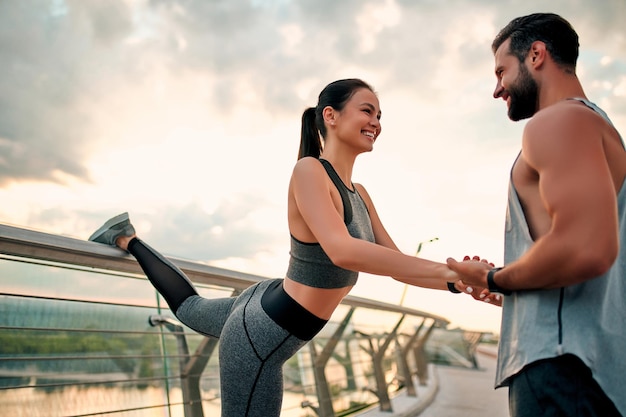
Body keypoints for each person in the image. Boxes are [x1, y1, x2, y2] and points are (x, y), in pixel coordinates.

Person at [88, 78, 465, 417]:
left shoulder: (361, 195)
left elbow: (399, 265)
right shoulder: (309, 171)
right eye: (367, 110)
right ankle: (126, 237)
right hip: (258, 334)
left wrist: (460, 281)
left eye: (380, 115)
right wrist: (450, 272)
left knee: (190, 307)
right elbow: (342, 250)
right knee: (189, 308)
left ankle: (125, 237)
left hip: (266, 302)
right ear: (330, 116)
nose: (377, 122)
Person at [446, 13, 626, 417]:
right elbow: (578, 256)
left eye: (501, 71)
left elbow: (586, 250)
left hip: (561, 369)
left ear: (537, 54)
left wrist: (495, 278)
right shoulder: (597, 126)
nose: (497, 89)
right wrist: (515, 290)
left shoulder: (559, 119)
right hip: (593, 370)